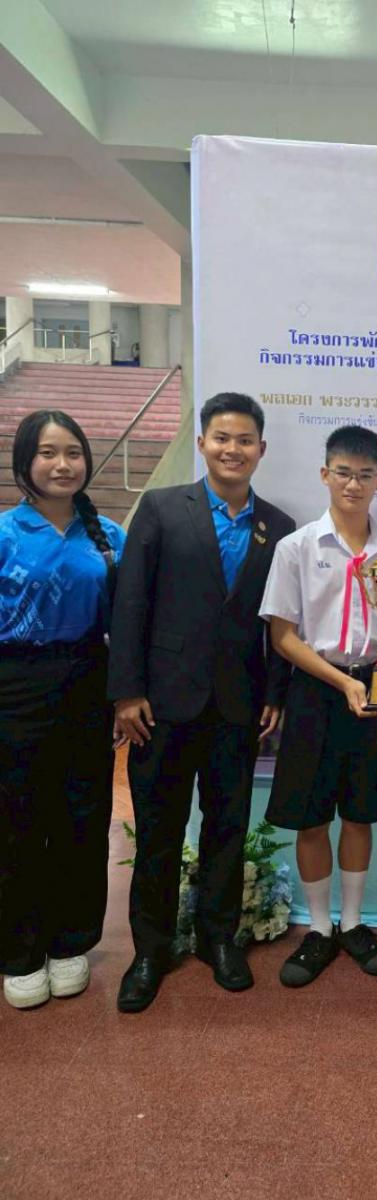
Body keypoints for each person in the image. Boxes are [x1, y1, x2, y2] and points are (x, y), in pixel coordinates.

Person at [109, 392, 295, 1012]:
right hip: (161, 706)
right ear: (202, 443)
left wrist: (275, 692)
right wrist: (127, 691)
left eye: (244, 440)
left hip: (238, 708)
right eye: (221, 438)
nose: (232, 449)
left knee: (227, 828)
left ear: (261, 449)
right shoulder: (162, 508)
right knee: (159, 831)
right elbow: (130, 602)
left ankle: (219, 938)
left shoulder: (278, 526)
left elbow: (281, 621)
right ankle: (150, 950)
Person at [259, 424, 377, 988]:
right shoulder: (297, 547)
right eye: (344, 473)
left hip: (376, 690)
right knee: (311, 816)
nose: (354, 484)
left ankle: (353, 923)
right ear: (324, 475)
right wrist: (341, 683)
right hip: (315, 690)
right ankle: (319, 928)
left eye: (365, 475)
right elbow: (283, 636)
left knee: (359, 811)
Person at [0, 410, 126, 1010]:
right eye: (48, 453)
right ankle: (20, 951)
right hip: (14, 685)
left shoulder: (109, 537)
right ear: (25, 461)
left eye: (73, 452)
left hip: (86, 682)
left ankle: (71, 941)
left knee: (82, 814)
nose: (62, 464)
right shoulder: (5, 532)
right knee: (17, 819)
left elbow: (126, 624)